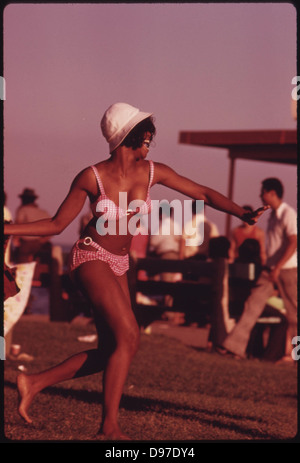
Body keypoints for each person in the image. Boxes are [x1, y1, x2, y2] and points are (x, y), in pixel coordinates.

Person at [4, 102, 268, 439]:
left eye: (150, 137)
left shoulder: (153, 171)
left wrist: (240, 212)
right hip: (90, 256)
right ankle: (109, 428)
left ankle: (33, 382)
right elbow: (56, 225)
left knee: (114, 348)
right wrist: (7, 229)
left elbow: (200, 191)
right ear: (124, 136)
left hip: (120, 263)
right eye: (145, 135)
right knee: (129, 336)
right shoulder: (91, 176)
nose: (149, 141)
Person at [219, 178, 297, 360]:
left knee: (294, 315)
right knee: (252, 305)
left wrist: (277, 267)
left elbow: (294, 242)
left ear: (272, 193)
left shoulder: (288, 214)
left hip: (287, 269)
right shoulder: (272, 216)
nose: (260, 196)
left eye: (262, 192)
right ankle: (233, 347)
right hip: (270, 269)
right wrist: (271, 267)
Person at [14, 188, 51, 263]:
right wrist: (43, 240)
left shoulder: (22, 210)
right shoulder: (43, 212)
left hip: (26, 243)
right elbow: (51, 228)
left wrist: (16, 239)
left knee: (21, 264)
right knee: (35, 264)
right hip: (39, 244)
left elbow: (18, 225)